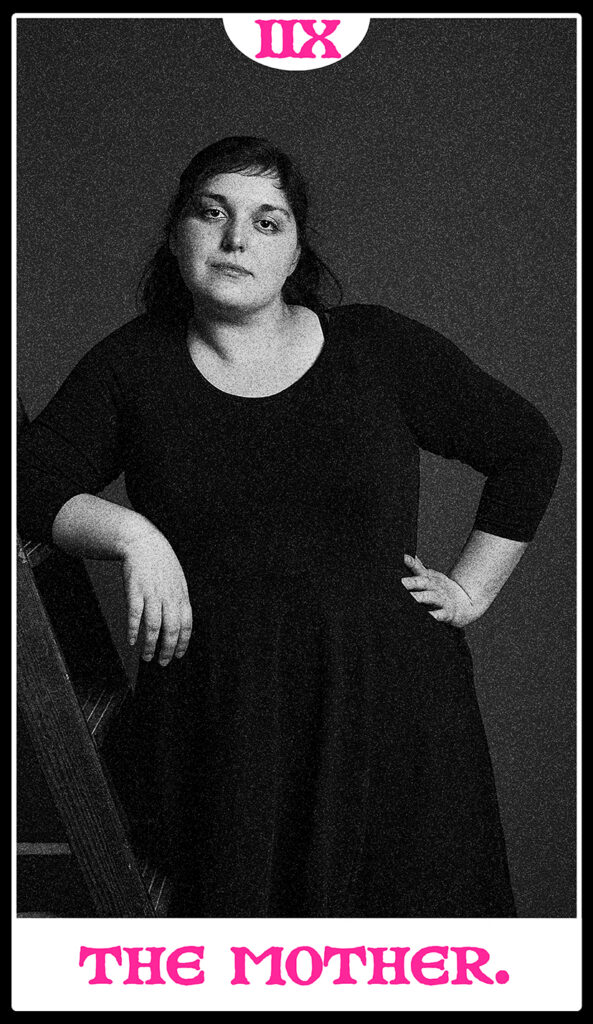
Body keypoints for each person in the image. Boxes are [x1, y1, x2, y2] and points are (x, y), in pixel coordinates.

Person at [17, 135, 562, 918]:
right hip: (227, 731)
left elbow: (526, 448)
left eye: (266, 222)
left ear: (295, 250)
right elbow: (28, 479)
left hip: (392, 717)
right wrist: (134, 536)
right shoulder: (131, 365)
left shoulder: (377, 347)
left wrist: (471, 590)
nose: (236, 239)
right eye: (212, 213)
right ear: (175, 233)